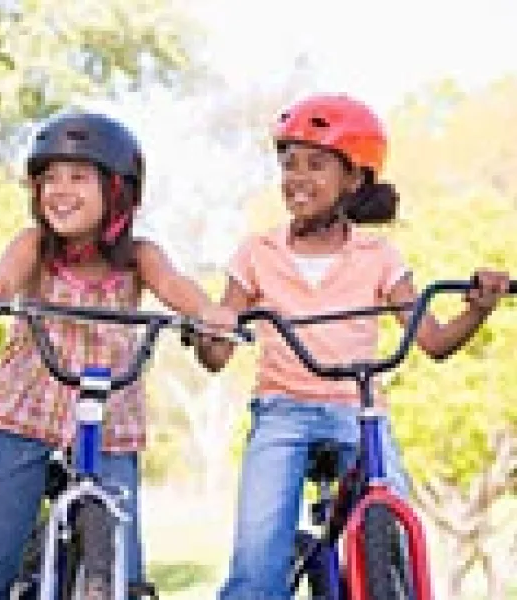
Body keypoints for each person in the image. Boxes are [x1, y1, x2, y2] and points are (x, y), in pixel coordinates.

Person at [196, 93, 511, 599]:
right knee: (257, 564)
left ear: (354, 180)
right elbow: (217, 355)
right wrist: (207, 330)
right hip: (283, 411)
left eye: (315, 165)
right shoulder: (258, 252)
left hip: (357, 410)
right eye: (288, 164)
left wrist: (477, 308)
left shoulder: (379, 256)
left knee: (395, 538)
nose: (297, 178)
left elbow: (432, 341)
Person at [0, 111, 224, 599]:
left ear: (117, 191)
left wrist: (208, 313)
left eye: (77, 177)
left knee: (124, 571)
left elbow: (177, 287)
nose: (59, 190)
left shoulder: (139, 256)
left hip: (108, 423)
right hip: (27, 416)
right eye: (49, 179)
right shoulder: (35, 247)